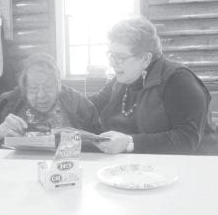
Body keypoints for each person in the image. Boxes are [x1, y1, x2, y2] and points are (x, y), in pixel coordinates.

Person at [89, 16, 213, 154]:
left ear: (146, 59)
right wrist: (63, 96)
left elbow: (187, 139)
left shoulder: (179, 80)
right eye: (111, 55)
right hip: (133, 165)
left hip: (184, 168)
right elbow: (90, 107)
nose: (112, 63)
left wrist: (129, 142)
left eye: (120, 57)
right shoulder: (122, 79)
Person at [0, 53, 101, 149]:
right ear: (24, 87)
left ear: (59, 85)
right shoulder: (6, 102)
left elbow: (103, 144)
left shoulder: (79, 103)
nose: (41, 95)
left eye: (48, 87)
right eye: (33, 88)